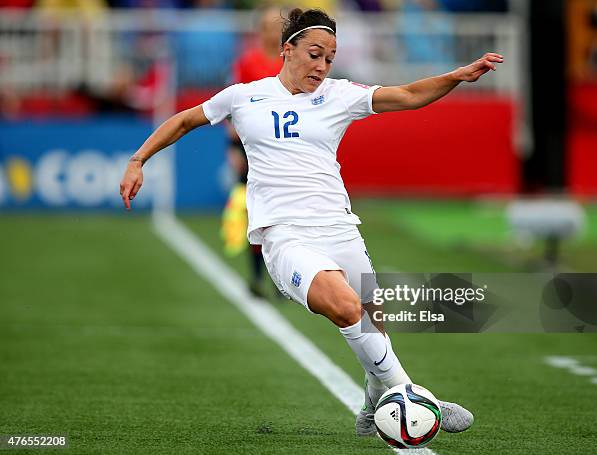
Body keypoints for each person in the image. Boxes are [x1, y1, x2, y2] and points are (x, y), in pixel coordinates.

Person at [120, 7, 503, 437]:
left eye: (329, 58)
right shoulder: (244, 96)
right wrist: (138, 159)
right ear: (288, 50)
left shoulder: (340, 95)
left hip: (340, 228)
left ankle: (372, 404)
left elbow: (409, 94)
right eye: (314, 54)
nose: (321, 66)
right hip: (285, 237)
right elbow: (185, 119)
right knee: (346, 308)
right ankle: (414, 394)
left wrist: (457, 76)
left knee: (373, 321)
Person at [222, 6, 284, 297]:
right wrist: (233, 146)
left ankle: (280, 276)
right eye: (270, 26)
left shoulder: (290, 62)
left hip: (284, 148)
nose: (275, 31)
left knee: (282, 212)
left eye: (279, 26)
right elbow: (231, 104)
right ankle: (257, 277)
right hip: (252, 147)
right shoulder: (248, 63)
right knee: (255, 211)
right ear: (261, 31)